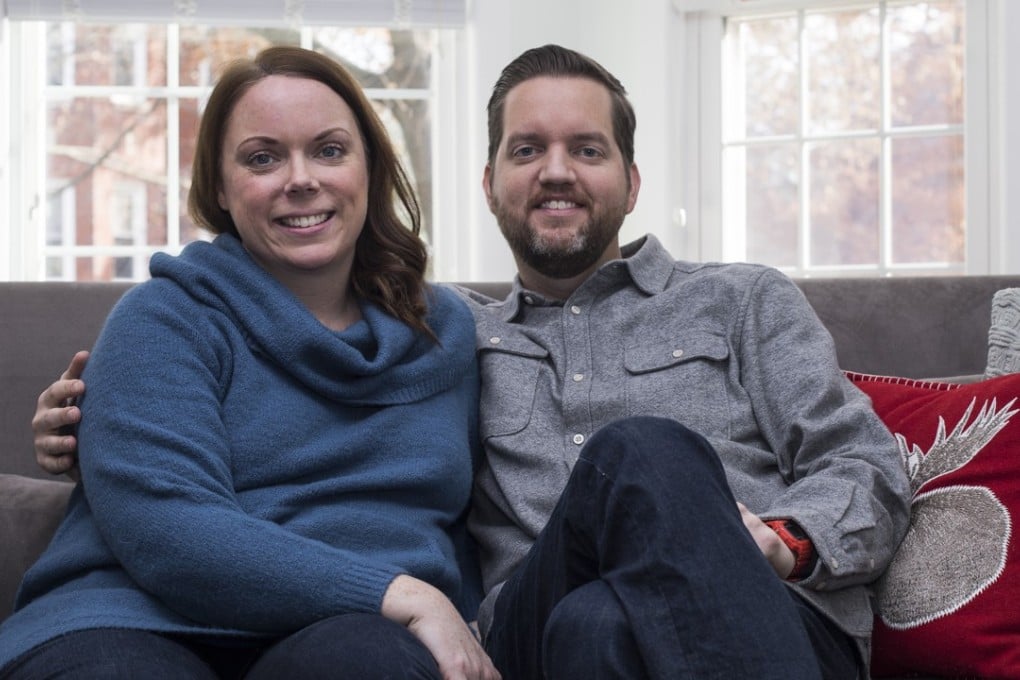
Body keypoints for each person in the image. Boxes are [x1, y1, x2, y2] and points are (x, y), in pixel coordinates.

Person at [32, 44, 911, 680]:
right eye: (526, 150)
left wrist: (784, 543)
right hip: (542, 624)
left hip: (758, 614)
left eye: (588, 150)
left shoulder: (740, 299)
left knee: (629, 508)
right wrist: (96, 421)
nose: (555, 173)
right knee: (597, 604)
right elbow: (175, 497)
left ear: (632, 182)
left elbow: (867, 466)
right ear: (488, 182)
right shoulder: (461, 334)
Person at [4, 45, 498, 680]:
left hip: (350, 636)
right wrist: (401, 594)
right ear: (218, 184)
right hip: (132, 619)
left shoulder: (445, 332)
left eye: (328, 149)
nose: (300, 178)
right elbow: (169, 532)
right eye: (263, 157)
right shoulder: (163, 318)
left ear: (368, 167)